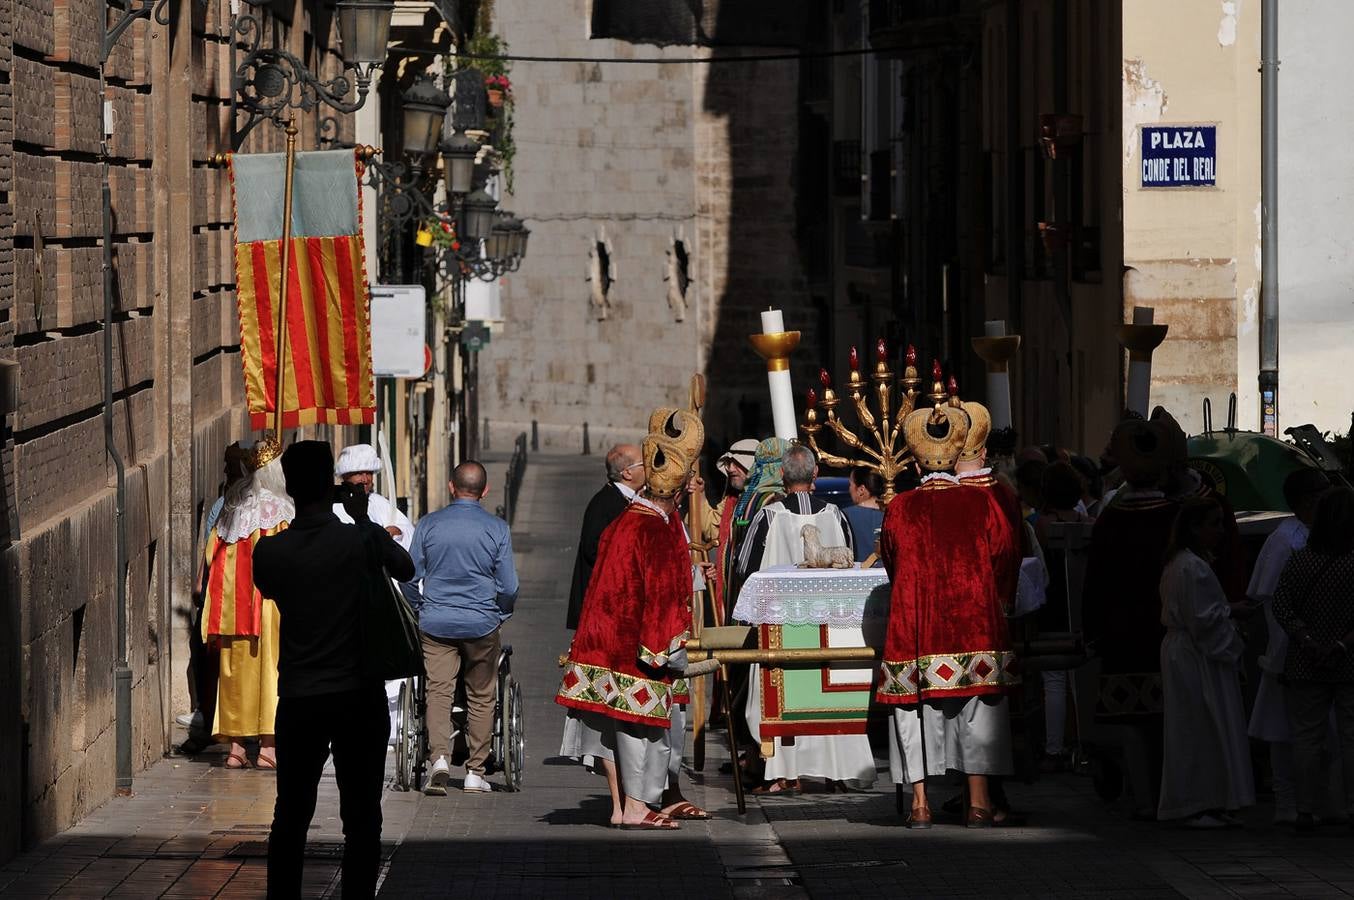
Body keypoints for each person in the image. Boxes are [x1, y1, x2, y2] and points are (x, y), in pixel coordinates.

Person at [253, 440, 414, 900]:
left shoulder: (270, 552)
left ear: (289, 488)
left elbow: (268, 588)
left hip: (301, 696)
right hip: (359, 695)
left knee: (291, 814)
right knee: (362, 817)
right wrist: (363, 520)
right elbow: (406, 567)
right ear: (332, 485)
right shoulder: (359, 539)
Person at [558, 408, 704, 830]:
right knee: (645, 734)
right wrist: (668, 652)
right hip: (639, 650)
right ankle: (638, 806)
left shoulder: (625, 521)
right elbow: (659, 597)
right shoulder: (657, 530)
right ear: (675, 495)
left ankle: (622, 808)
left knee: (612, 731)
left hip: (604, 643)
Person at [878, 399, 1020, 828]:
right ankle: (978, 802)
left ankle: (920, 804)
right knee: (976, 706)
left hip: (915, 617)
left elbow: (890, 558)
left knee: (913, 710)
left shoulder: (900, 507)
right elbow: (1004, 551)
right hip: (972, 619)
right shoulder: (981, 503)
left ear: (917, 464)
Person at [737, 444, 871, 796]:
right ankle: (835, 770)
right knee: (830, 694)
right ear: (814, 476)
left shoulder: (768, 516)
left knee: (780, 695)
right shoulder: (836, 515)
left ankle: (783, 774)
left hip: (781, 630)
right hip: (829, 628)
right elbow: (853, 563)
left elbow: (743, 567)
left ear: (782, 476)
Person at [1081, 417, 1180, 819]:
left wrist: (1093, 629)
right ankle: (1166, 792)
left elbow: (1095, 580)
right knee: (1167, 718)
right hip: (1165, 629)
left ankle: (1141, 797)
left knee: (1132, 721)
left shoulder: (1111, 520)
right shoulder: (1176, 517)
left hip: (1121, 631)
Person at [409, 460, 519, 795]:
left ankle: (439, 758)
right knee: (482, 695)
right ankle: (475, 770)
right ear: (485, 491)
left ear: (451, 487)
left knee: (438, 691)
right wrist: (500, 614)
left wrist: (420, 608)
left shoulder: (428, 525)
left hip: (437, 621)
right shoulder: (496, 529)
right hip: (480, 622)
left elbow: (409, 578)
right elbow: (509, 586)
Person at [1247, 468, 1337, 824]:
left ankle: (1315, 799)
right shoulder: (1285, 540)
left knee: (1316, 732)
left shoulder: (1316, 536)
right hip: (1291, 649)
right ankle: (1288, 800)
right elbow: (1272, 600)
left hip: (1316, 648)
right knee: (1283, 731)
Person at [1157, 496, 1253, 826]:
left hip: (1191, 652)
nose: (1221, 531)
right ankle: (1195, 802)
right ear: (1195, 528)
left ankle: (1210, 799)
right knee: (1197, 726)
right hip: (1195, 655)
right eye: (1214, 524)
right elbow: (1202, 619)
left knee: (1202, 726)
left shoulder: (1187, 563)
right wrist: (1233, 615)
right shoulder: (1190, 566)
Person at [201, 439, 294, 769]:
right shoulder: (280, 511)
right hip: (269, 604)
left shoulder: (232, 505)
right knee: (270, 672)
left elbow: (211, 554)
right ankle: (268, 747)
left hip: (233, 606)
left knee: (236, 674)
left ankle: (237, 748)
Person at [1273, 486, 1354, 833]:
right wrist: (1339, 644)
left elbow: (1281, 605)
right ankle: (1350, 807)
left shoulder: (1300, 560)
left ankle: (1305, 809)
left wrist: (1305, 638)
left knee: (1306, 737)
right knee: (1351, 736)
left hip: (1304, 661)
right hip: (1349, 661)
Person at [179, 443, 252, 754]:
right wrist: (199, 583)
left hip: (242, 597)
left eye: (231, 467)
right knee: (207, 657)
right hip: (219, 593)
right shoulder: (222, 505)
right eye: (226, 467)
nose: (226, 473)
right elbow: (210, 549)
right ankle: (210, 721)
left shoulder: (258, 508)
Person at [1035, 461, 1095, 770]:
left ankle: (1055, 747)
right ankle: (1085, 740)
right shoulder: (1088, 521)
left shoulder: (1042, 525)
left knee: (1055, 678)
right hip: (1082, 604)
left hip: (1055, 604)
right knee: (1080, 676)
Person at [566, 444, 643, 630]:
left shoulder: (627, 499)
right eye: (644, 464)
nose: (649, 468)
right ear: (627, 473)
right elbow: (593, 549)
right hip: (603, 607)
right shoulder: (606, 503)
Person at [707, 438, 757, 624]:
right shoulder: (731, 501)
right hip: (732, 590)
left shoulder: (770, 500)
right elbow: (711, 528)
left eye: (737, 464)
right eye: (729, 463)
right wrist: (696, 494)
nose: (730, 469)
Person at [332, 443, 415, 551]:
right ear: (345, 475)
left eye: (368, 473)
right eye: (359, 473)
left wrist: (397, 531)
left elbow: (410, 532)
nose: (365, 479)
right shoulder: (334, 507)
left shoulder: (378, 501)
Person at [843, 466, 886, 564]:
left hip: (857, 574)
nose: (849, 489)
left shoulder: (845, 516)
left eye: (850, 484)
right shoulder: (893, 514)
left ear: (861, 489)